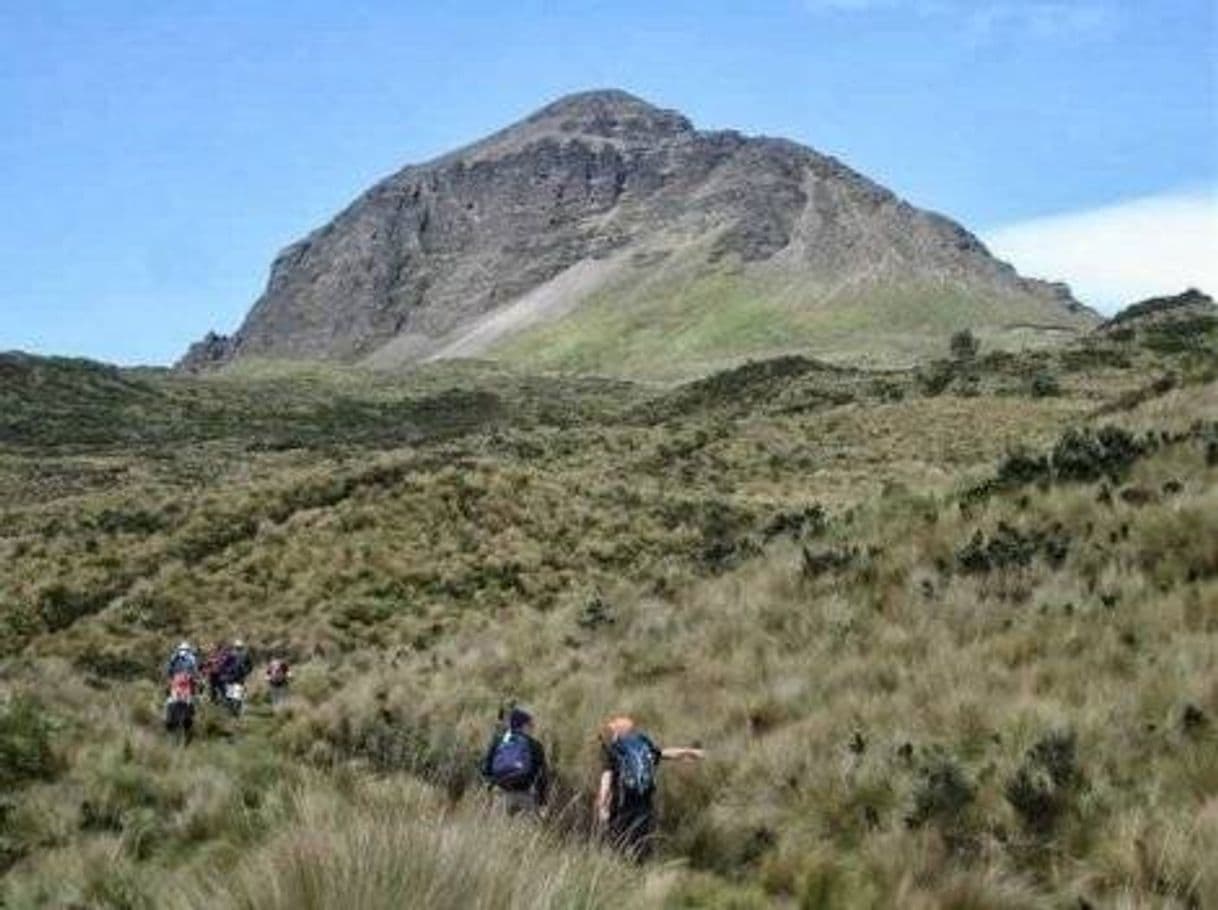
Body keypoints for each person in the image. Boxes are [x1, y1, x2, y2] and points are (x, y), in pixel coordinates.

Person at [596, 715, 705, 861]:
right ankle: (641, 871)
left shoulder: (613, 751)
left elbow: (606, 780)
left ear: (617, 733)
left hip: (622, 804)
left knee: (617, 845)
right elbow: (665, 753)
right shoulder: (644, 748)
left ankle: (619, 872)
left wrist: (602, 807)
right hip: (644, 803)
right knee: (640, 843)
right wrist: (690, 752)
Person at [481, 707, 550, 816]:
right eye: (531, 725)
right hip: (525, 797)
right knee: (526, 832)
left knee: (499, 831)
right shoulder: (534, 745)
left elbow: (485, 770)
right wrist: (542, 803)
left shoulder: (499, 741)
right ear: (524, 725)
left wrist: (491, 789)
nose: (533, 728)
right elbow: (542, 776)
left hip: (501, 796)